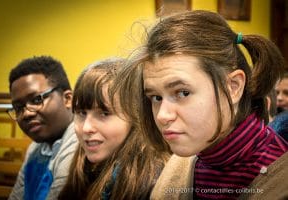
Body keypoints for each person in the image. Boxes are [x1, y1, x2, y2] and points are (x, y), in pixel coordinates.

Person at [112, 10, 288, 199]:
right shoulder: (180, 164)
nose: (162, 115)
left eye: (183, 93)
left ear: (233, 87)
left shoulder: (280, 179)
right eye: (156, 97)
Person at [58, 58, 170, 200]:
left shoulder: (151, 183)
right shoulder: (83, 167)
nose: (86, 128)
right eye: (81, 113)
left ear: (136, 117)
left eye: (104, 114)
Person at [7, 56, 78, 200]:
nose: (26, 113)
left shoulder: (80, 144)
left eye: (36, 99)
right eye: (18, 108)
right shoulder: (35, 148)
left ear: (67, 99)